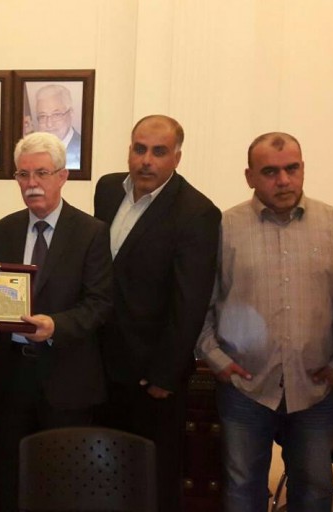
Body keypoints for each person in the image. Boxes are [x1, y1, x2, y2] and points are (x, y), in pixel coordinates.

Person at [196, 132, 333, 512]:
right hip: (245, 387)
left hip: (315, 387)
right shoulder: (224, 227)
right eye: (270, 171)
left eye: (292, 169)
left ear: (303, 169)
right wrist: (217, 361)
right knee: (242, 487)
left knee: (314, 488)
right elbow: (201, 303)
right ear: (249, 176)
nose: (283, 180)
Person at [94, 114, 221, 512]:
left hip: (153, 377)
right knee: (105, 469)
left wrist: (164, 375)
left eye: (159, 152)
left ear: (177, 158)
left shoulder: (197, 213)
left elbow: (190, 303)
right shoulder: (108, 189)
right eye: (140, 149)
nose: (146, 160)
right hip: (101, 366)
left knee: (152, 478)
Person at [0, 132, 112, 512]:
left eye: (41, 173)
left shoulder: (92, 232)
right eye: (23, 174)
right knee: (11, 479)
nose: (32, 183)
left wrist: (56, 326)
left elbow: (100, 304)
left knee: (63, 482)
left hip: (67, 378)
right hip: (12, 379)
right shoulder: (2, 231)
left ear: (62, 176)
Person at [35, 84, 81, 169]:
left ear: (71, 113)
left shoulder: (83, 150)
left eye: (56, 115)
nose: (49, 124)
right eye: (42, 116)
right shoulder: (33, 151)